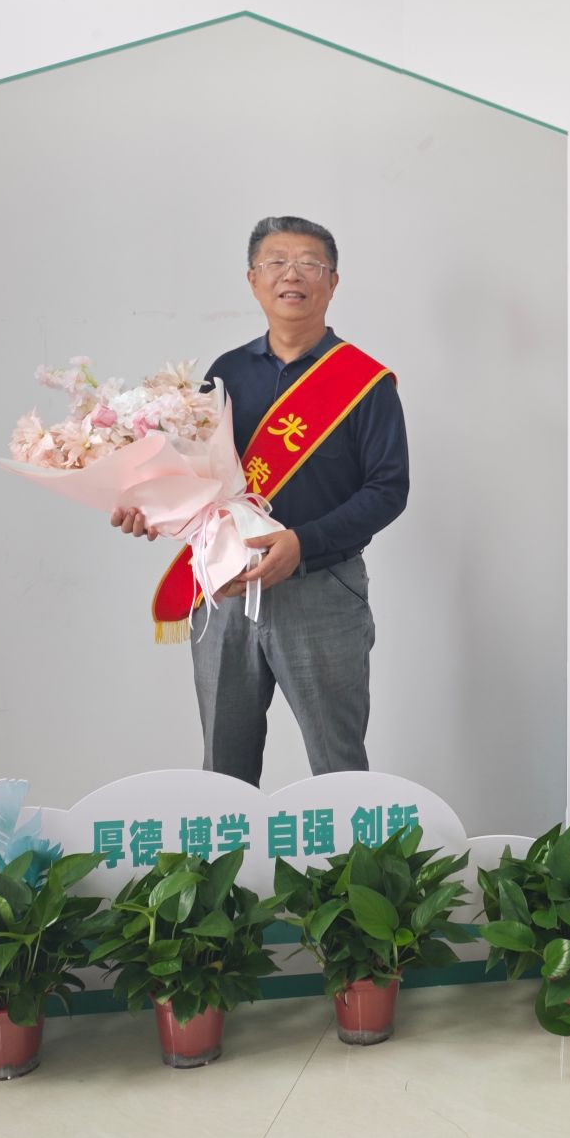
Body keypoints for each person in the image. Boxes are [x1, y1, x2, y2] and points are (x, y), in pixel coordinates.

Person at [113, 216, 409, 783]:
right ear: (253, 280)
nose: (291, 275)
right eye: (276, 262)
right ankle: (228, 849)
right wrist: (151, 506)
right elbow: (195, 474)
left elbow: (388, 490)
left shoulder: (365, 384)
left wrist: (303, 542)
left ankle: (348, 848)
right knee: (223, 768)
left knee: (339, 767)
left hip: (322, 589)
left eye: (309, 264)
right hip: (224, 587)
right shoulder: (225, 373)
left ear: (332, 282)